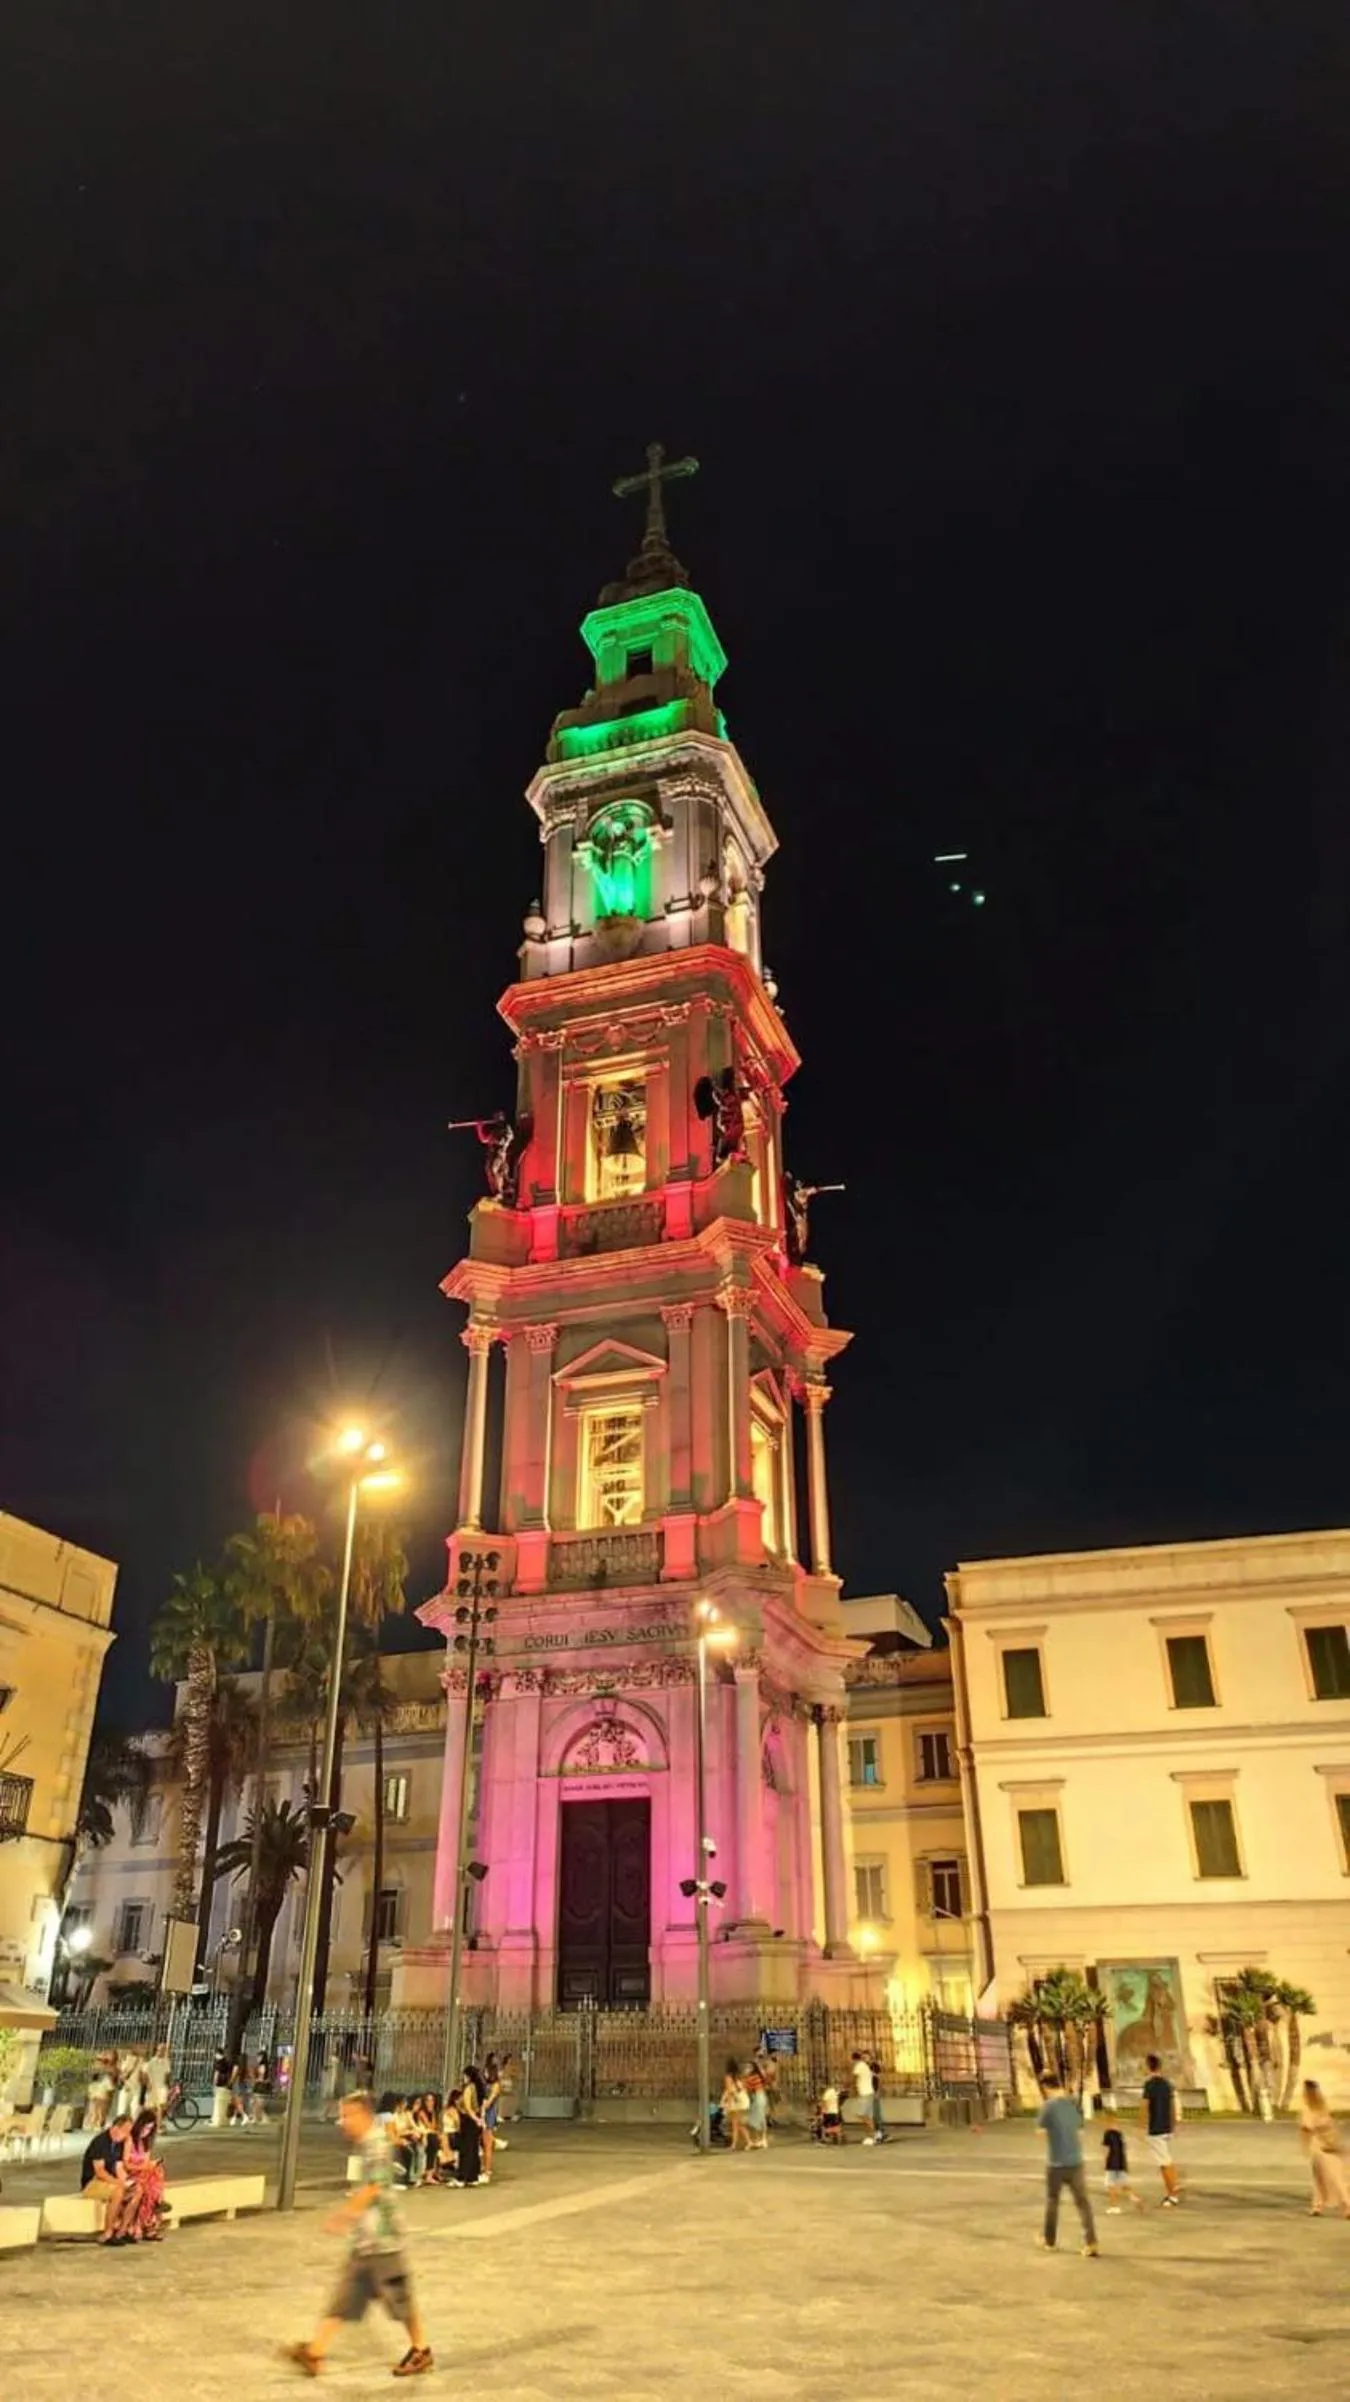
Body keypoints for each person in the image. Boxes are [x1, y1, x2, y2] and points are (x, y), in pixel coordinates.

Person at [285, 2090, 433, 2380]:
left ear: (364, 2115)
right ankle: (314, 2353)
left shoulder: (376, 2143)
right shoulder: (368, 2143)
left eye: (347, 2115)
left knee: (400, 2299)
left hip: (383, 2239)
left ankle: (421, 2350)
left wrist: (345, 2215)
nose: (343, 2122)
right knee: (345, 2296)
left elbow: (375, 2186)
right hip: (368, 2239)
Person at [1036, 2075, 1099, 2255]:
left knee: (1053, 2201)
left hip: (1056, 2162)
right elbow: (1080, 2132)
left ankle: (1049, 2241)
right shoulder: (1072, 2104)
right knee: (1083, 2203)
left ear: (1046, 2087)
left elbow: (1040, 2132)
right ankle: (1091, 2241)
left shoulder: (1048, 2107)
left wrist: (1054, 2136)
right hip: (1076, 2161)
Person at [1299, 2080, 1350, 2217]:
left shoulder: (1313, 2110)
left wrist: (1305, 2146)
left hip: (1323, 2146)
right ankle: (1321, 2205)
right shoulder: (1319, 2110)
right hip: (1323, 2146)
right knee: (1328, 2176)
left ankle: (1338, 2205)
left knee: (1329, 2177)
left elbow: (1306, 2129)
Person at [80, 2111, 132, 2242]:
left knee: (136, 2191)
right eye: (125, 2131)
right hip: (93, 2182)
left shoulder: (119, 2143)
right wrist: (119, 2183)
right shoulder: (101, 2142)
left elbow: (119, 2167)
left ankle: (122, 2229)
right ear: (115, 2128)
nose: (127, 2135)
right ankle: (108, 2232)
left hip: (109, 2180)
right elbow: (100, 2172)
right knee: (118, 2192)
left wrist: (126, 2181)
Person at [1140, 2052, 1181, 2206]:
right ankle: (1171, 2191)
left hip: (1155, 2128)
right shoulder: (1167, 2084)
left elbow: (1144, 2107)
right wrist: (1174, 2124)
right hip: (1166, 2127)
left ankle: (1173, 2191)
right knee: (1163, 2160)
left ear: (1149, 2066)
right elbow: (1172, 2105)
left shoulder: (1149, 2085)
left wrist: (1141, 2126)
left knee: (1164, 2162)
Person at [121, 2109, 168, 2241]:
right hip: (131, 2174)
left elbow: (147, 2162)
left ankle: (149, 2223)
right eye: (145, 2127)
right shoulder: (130, 2140)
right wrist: (144, 2167)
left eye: (150, 2129)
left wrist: (151, 2165)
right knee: (149, 2186)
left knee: (155, 2176)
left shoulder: (146, 2142)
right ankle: (149, 2224)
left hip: (143, 2173)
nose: (146, 2131)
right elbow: (126, 2164)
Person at [1101, 2113, 1143, 2213]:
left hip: (1112, 2163)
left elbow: (1106, 2149)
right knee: (1123, 2184)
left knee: (1111, 2185)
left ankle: (1114, 2206)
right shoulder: (1120, 2134)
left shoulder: (1108, 2133)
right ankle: (1135, 2198)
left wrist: (1105, 2161)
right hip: (1121, 2163)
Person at [453, 2069, 485, 2186]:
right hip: (476, 2119)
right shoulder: (477, 2088)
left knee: (466, 2149)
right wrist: (480, 2118)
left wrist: (475, 2119)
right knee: (473, 2148)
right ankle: (472, 2177)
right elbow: (480, 2105)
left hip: (468, 2121)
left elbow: (467, 2107)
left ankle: (463, 2177)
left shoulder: (468, 2088)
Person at [721, 2059, 751, 2151]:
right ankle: (747, 2142)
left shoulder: (728, 2077)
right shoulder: (738, 2076)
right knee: (738, 2124)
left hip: (736, 2101)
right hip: (743, 2099)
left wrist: (728, 2105)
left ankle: (736, 2145)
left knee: (736, 2124)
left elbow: (730, 2091)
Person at [851, 2051, 878, 2145]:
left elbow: (854, 2078)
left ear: (854, 2059)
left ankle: (873, 2136)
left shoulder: (859, 2065)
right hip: (869, 2093)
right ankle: (870, 2137)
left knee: (862, 2115)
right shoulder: (865, 2066)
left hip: (865, 2094)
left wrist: (852, 2090)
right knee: (867, 2116)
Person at [744, 2060, 769, 2150]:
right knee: (760, 2118)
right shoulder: (758, 2076)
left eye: (749, 2067)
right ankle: (761, 2139)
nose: (747, 2069)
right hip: (760, 2096)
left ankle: (760, 2139)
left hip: (757, 2097)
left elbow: (747, 2088)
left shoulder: (751, 2078)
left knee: (756, 2118)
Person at [819, 2078, 844, 2146]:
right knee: (836, 2126)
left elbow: (825, 2102)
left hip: (828, 2112)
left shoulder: (827, 2092)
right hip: (835, 2111)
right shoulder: (834, 2091)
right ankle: (839, 2140)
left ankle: (823, 2140)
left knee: (824, 2127)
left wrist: (823, 2112)